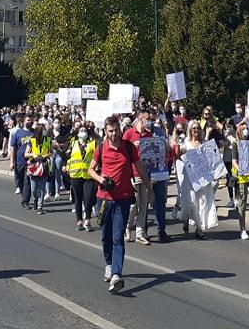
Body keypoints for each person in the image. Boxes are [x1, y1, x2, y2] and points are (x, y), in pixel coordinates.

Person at [88, 115, 152, 295]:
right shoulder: (101, 147)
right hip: (104, 199)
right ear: (106, 131)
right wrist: (101, 178)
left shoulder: (128, 148)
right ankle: (108, 264)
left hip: (123, 199)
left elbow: (139, 168)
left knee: (118, 237)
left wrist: (149, 189)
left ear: (120, 129)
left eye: (116, 130)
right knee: (105, 236)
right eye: (110, 131)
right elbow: (90, 169)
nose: (114, 134)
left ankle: (116, 274)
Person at [123, 109, 169, 245]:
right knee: (133, 205)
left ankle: (140, 233)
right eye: (147, 118)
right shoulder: (129, 133)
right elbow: (122, 153)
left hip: (146, 174)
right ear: (140, 118)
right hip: (133, 174)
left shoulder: (150, 135)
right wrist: (132, 147)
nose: (150, 121)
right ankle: (126, 227)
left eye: (151, 119)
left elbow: (156, 153)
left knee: (143, 205)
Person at [174, 120, 217, 239]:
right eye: (194, 129)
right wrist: (178, 151)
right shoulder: (185, 143)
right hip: (189, 177)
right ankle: (186, 219)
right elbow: (179, 157)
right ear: (190, 130)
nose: (196, 130)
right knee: (190, 202)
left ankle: (199, 228)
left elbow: (212, 159)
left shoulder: (205, 143)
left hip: (202, 178)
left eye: (198, 128)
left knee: (202, 202)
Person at [68, 124, 98, 231]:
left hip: (88, 174)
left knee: (88, 197)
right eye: (81, 130)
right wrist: (66, 166)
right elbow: (67, 156)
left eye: (85, 130)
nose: (83, 132)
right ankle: (79, 220)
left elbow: (97, 155)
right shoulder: (72, 143)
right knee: (78, 198)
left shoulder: (93, 143)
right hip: (75, 174)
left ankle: (88, 219)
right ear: (77, 133)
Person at [25, 120, 52, 215]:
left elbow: (51, 152)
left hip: (44, 166)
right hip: (34, 166)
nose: (45, 131)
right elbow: (26, 154)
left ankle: (40, 206)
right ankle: (35, 199)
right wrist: (33, 154)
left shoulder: (48, 140)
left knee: (42, 188)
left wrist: (45, 155)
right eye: (43, 129)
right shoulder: (31, 140)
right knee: (34, 188)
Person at [9, 114, 34, 207]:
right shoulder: (17, 133)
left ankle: (25, 200)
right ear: (23, 121)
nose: (29, 122)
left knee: (27, 180)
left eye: (31, 120)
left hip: (30, 161)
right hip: (19, 161)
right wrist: (11, 162)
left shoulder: (34, 133)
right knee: (19, 181)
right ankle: (23, 195)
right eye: (28, 120)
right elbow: (13, 148)